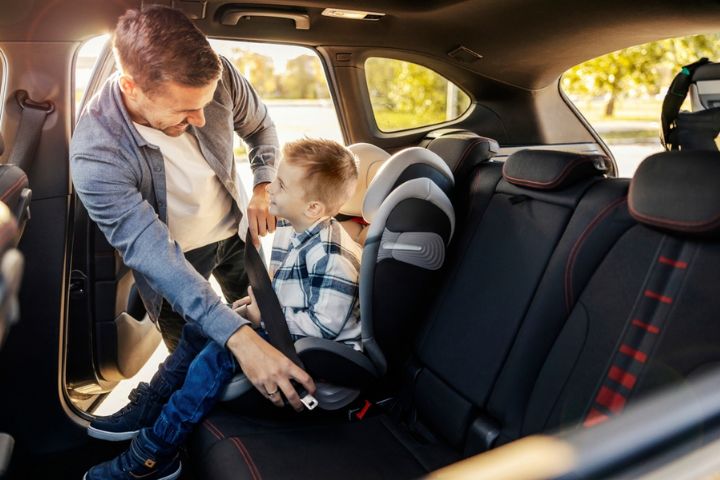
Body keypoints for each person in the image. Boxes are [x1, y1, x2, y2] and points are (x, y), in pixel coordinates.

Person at [70, 4, 315, 447]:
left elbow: (261, 129)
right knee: (192, 361)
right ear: (132, 87)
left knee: (271, 325)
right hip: (174, 261)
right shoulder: (95, 154)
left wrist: (262, 185)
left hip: (238, 235)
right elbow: (153, 253)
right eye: (185, 111)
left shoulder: (219, 80)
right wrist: (238, 337)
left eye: (205, 105)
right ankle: (174, 432)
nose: (202, 120)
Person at [83, 138, 362, 480]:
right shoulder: (294, 226)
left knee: (216, 355)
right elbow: (288, 289)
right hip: (286, 330)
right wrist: (257, 305)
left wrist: (265, 317)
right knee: (202, 327)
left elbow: (325, 326)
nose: (269, 188)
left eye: (281, 185)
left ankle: (157, 452)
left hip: (316, 357)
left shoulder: (332, 256)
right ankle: (152, 405)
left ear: (314, 208)